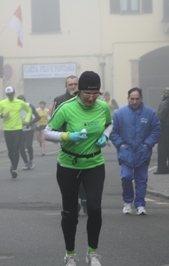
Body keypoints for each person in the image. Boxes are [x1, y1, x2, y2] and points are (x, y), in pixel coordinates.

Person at [45, 71, 112, 266]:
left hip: (94, 164)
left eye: (95, 94)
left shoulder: (102, 107)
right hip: (68, 165)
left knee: (95, 209)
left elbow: (110, 124)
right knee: (70, 212)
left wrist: (105, 136)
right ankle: (70, 255)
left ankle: (92, 253)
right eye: (87, 94)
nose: (91, 98)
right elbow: (47, 133)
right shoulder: (66, 108)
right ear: (79, 91)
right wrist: (67, 136)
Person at [110, 88, 161, 215]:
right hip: (125, 152)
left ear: (141, 98)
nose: (134, 101)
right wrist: (120, 144)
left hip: (142, 152)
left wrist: (147, 144)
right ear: (128, 98)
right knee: (126, 177)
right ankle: (127, 202)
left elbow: (156, 130)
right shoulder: (119, 114)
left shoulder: (150, 113)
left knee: (141, 179)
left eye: (137, 99)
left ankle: (140, 205)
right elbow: (113, 131)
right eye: (132, 99)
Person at [52, 75, 87, 214]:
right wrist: (65, 137)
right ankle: (74, 202)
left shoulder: (85, 98)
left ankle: (85, 200)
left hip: (85, 143)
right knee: (71, 175)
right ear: (66, 86)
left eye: (75, 84)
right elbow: (55, 123)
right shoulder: (59, 100)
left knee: (84, 172)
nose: (73, 87)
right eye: (70, 84)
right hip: (68, 143)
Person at [0, 86, 32, 178]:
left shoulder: (20, 102)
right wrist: (3, 115)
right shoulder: (2, 103)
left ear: (14, 94)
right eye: (8, 95)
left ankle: (14, 168)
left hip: (18, 129)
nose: (10, 96)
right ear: (6, 95)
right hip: (7, 129)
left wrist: (26, 120)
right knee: (10, 151)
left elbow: (29, 110)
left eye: (11, 94)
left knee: (15, 149)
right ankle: (13, 164)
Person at [154, 87, 169, 174]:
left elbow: (161, 117)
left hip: (165, 129)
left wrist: (156, 128)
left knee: (162, 149)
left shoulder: (164, 103)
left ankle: (162, 168)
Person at [17, 95, 41, 170]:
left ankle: (31, 161)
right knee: (21, 148)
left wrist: (29, 123)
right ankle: (26, 163)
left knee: (28, 146)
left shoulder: (29, 106)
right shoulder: (15, 107)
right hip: (19, 130)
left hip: (29, 130)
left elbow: (38, 117)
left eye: (23, 102)